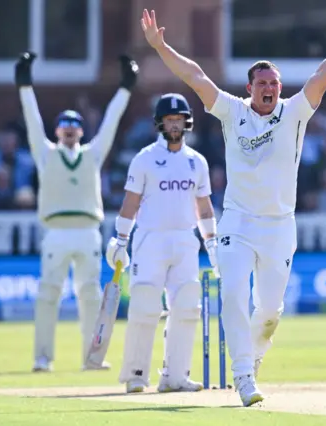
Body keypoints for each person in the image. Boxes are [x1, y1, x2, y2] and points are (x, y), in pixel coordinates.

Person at [139, 4, 326, 406]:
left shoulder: (295, 113)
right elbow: (196, 76)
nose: (270, 88)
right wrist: (161, 47)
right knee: (233, 293)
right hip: (238, 223)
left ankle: (254, 356)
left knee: (269, 310)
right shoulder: (232, 112)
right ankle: (244, 376)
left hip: (280, 225)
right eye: (262, 82)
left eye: (275, 83)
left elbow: (323, 74)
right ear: (250, 88)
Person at [15, 51, 139, 372]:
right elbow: (32, 120)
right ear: (57, 131)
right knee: (48, 295)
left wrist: (126, 86)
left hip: (87, 232)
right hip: (56, 232)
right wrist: (24, 82)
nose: (69, 130)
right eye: (64, 125)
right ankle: (42, 358)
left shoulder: (93, 155)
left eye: (75, 126)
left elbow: (111, 121)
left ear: (82, 132)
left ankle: (92, 357)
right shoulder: (45, 154)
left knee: (90, 296)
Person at [105, 93, 218, 393]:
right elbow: (130, 202)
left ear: (186, 122)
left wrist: (213, 243)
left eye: (179, 120)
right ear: (160, 123)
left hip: (185, 240)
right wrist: (120, 239)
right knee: (144, 304)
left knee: (186, 305)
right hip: (150, 240)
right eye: (170, 120)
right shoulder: (144, 159)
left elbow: (204, 207)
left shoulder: (197, 162)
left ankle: (175, 376)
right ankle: (136, 375)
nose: (174, 125)